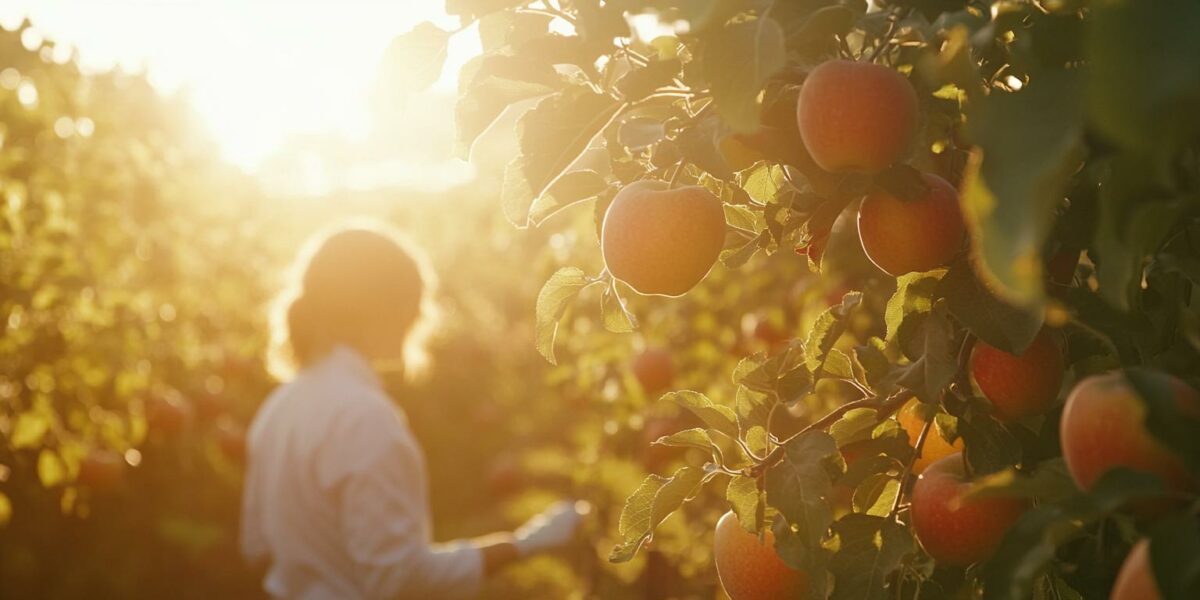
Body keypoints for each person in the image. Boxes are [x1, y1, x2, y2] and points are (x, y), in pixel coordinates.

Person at [240, 219, 583, 599]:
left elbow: (257, 549)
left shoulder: (278, 408)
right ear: (393, 308)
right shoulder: (365, 419)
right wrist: (524, 544)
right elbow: (400, 580)